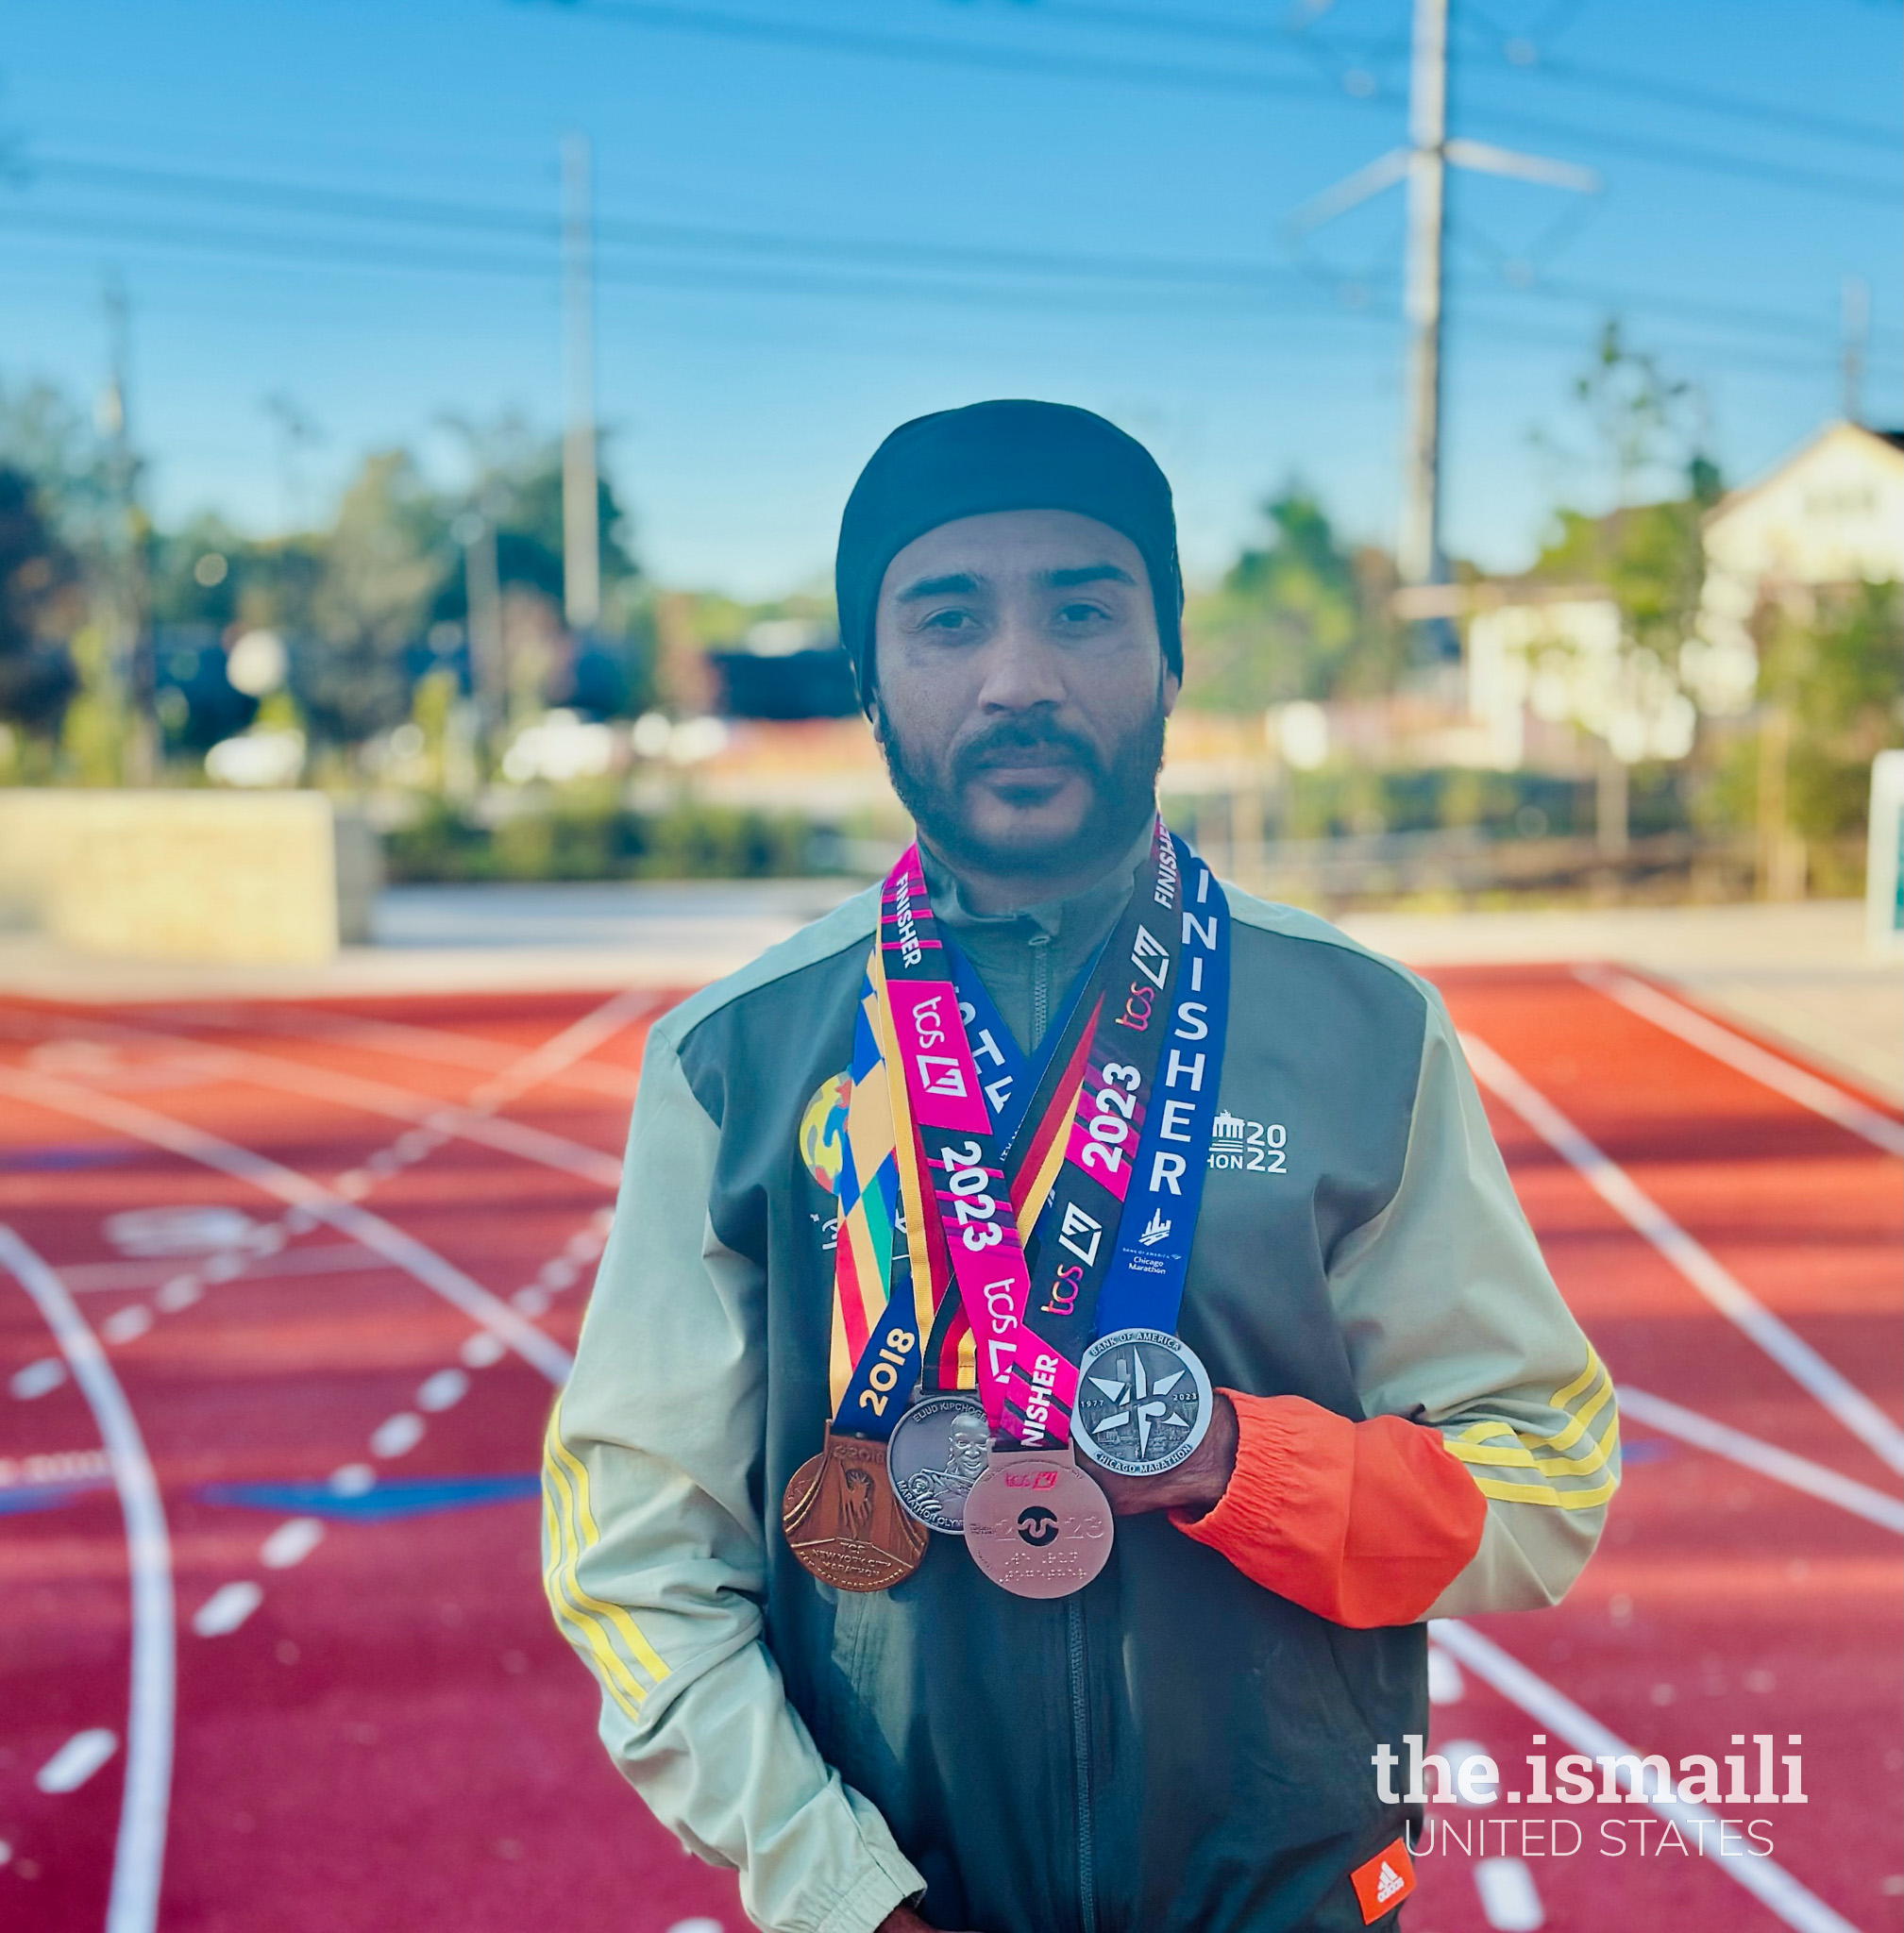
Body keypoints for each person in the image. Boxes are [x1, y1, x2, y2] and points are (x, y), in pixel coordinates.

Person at [542, 400, 1617, 1933]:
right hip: (904, 1901)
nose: (1019, 679)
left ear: (1169, 659)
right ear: (868, 679)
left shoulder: (1363, 1029)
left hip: (1290, 1900)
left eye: (1084, 610)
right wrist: (836, 1891)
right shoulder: (739, 1060)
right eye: (947, 618)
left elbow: (1544, 1478)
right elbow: (636, 1557)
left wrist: (1235, 1465)